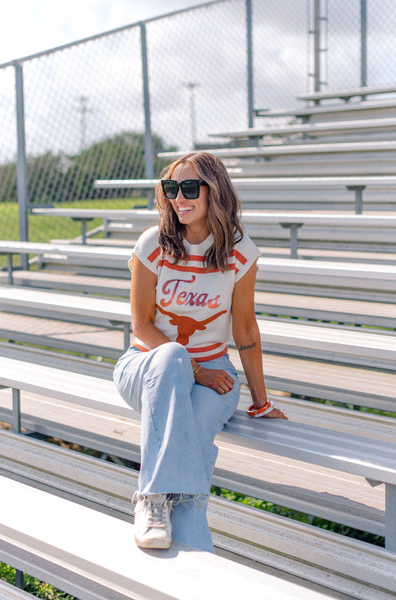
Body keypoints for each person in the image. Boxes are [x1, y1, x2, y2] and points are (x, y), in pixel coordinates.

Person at [113, 151, 287, 553]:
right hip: (146, 365)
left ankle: (192, 550)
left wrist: (260, 402)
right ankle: (152, 498)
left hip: (216, 371)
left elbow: (244, 327)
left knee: (192, 430)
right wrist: (195, 370)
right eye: (172, 188)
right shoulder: (153, 244)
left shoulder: (240, 252)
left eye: (190, 187)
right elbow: (141, 325)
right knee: (173, 356)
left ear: (216, 191)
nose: (179, 198)